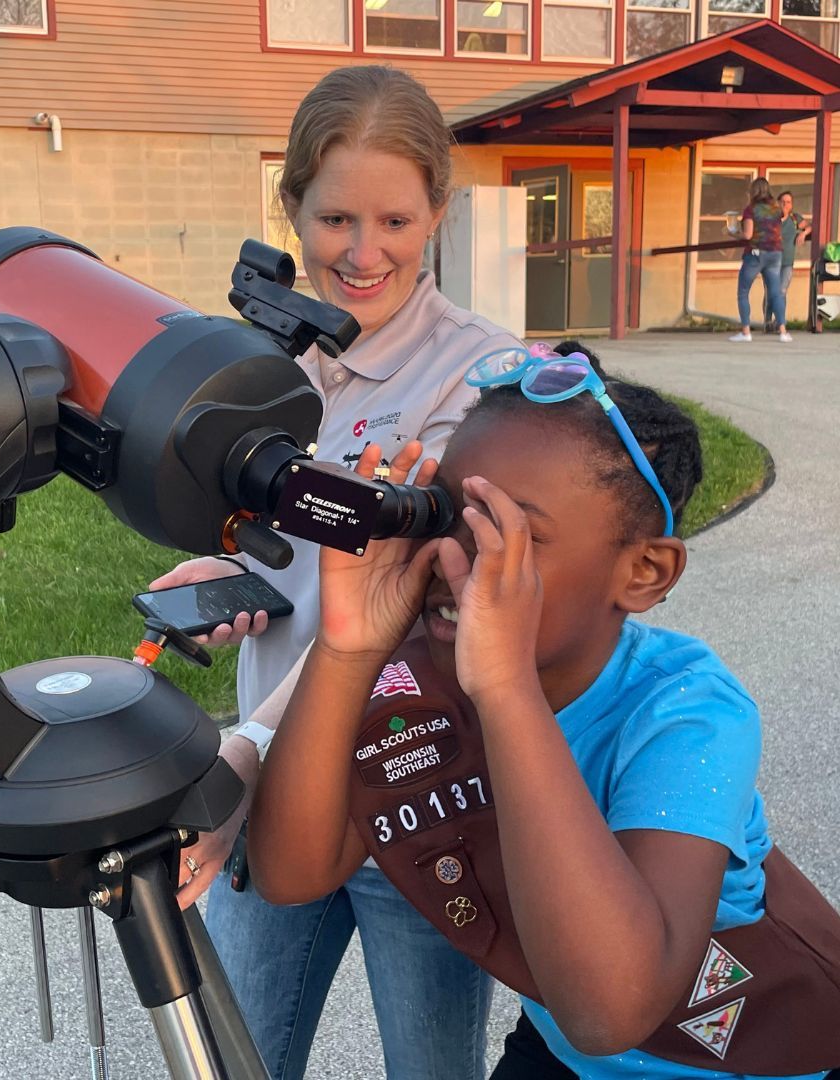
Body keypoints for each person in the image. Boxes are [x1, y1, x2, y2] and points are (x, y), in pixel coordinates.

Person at [248, 341, 840, 1079]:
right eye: (444, 516)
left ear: (643, 572)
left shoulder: (685, 710)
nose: (453, 558)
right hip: (565, 1049)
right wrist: (348, 650)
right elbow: (290, 874)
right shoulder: (419, 679)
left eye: (507, 537)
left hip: (746, 1057)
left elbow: (611, 1011)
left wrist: (503, 690)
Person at [149, 65, 524, 1079]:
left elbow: (419, 611)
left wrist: (246, 755)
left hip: (417, 788)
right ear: (292, 210)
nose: (363, 254)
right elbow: (301, 552)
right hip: (275, 788)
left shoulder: (485, 380)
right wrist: (229, 572)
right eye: (335, 220)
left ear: (438, 211)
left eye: (395, 221)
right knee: (235, 1061)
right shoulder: (276, 367)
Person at [730, 177, 791, 343]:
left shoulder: (751, 210)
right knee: (775, 293)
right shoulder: (776, 209)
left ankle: (746, 332)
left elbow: (748, 235)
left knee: (743, 292)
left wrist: (732, 233)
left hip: (756, 254)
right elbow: (782, 218)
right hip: (775, 253)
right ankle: (783, 332)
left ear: (753, 191)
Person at [764, 190, 809, 332]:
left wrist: (804, 233)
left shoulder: (795, 218)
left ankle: (779, 322)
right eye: (782, 201)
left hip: (787, 263)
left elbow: (809, 226)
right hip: (770, 262)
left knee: (781, 291)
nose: (785, 204)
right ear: (778, 203)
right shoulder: (771, 218)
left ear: (791, 204)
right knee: (770, 292)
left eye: (788, 202)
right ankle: (767, 322)